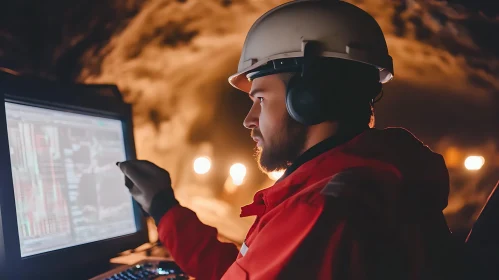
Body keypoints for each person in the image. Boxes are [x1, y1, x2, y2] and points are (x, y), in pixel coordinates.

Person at [117, 1, 462, 279]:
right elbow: (247, 270)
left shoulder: (325, 213)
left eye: (260, 99)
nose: (249, 120)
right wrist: (163, 207)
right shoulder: (368, 181)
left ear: (310, 97)